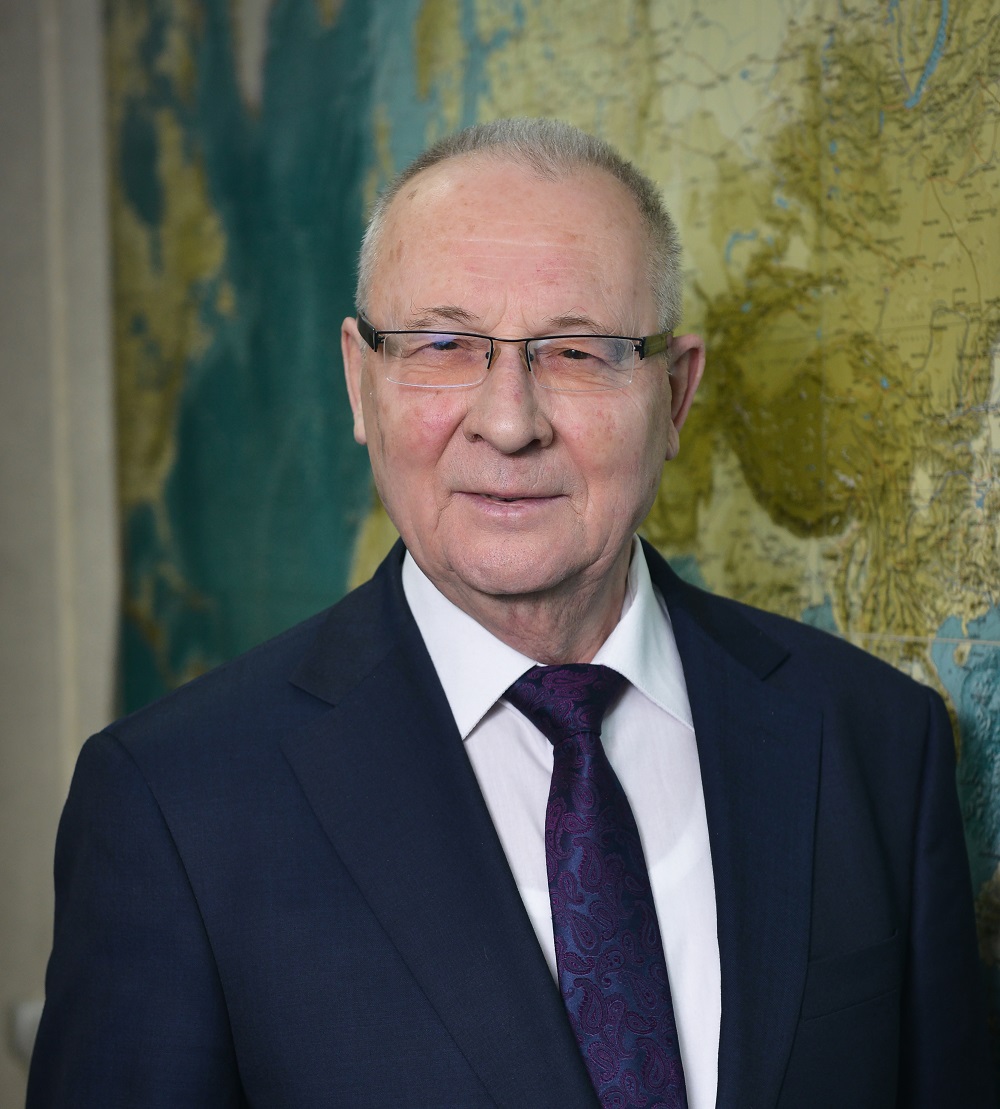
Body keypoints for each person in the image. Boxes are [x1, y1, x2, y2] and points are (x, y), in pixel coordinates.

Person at [27, 118, 993, 1108]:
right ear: (361, 382)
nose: (508, 421)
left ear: (674, 393)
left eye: (575, 351)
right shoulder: (175, 804)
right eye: (443, 345)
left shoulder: (876, 744)